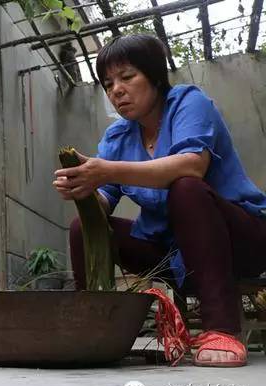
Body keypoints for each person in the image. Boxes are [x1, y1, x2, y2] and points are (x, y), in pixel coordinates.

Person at [53, 34, 266, 367]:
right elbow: (105, 201)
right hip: (174, 251)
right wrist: (82, 186)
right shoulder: (118, 136)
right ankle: (93, 328)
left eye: (127, 77)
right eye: (108, 83)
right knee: (84, 226)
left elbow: (192, 165)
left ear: (154, 76)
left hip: (241, 240)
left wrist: (106, 170)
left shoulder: (188, 103)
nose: (116, 90)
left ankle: (222, 329)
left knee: (186, 188)